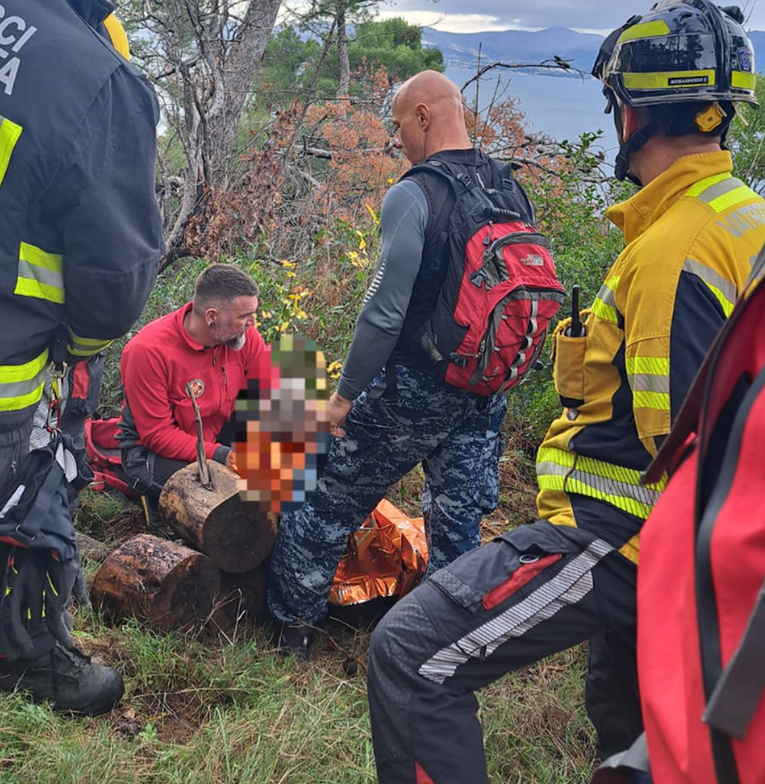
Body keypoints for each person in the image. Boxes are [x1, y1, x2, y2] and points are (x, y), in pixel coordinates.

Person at [366, 2, 765, 781]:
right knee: (637, 732)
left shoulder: (670, 252)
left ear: (629, 113)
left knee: (412, 653)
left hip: (620, 534)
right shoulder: (742, 216)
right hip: (672, 549)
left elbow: (681, 457)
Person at [267, 69, 537, 656]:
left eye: (397, 125)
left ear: (423, 115)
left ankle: (294, 633)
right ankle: (451, 647)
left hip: (414, 389)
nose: (396, 141)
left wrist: (341, 397)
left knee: (323, 499)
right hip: (485, 387)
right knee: (458, 518)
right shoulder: (509, 186)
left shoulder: (414, 193)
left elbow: (383, 314)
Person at [0, 0, 162, 714]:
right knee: (33, 497)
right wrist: (77, 353)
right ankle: (31, 659)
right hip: (17, 355)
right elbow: (114, 278)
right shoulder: (99, 76)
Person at [117, 264, 268, 499]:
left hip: (216, 435)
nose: (253, 323)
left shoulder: (243, 338)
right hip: (152, 453)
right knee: (229, 497)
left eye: (253, 314)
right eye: (243, 317)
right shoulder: (148, 351)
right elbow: (158, 435)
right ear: (212, 317)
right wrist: (223, 456)